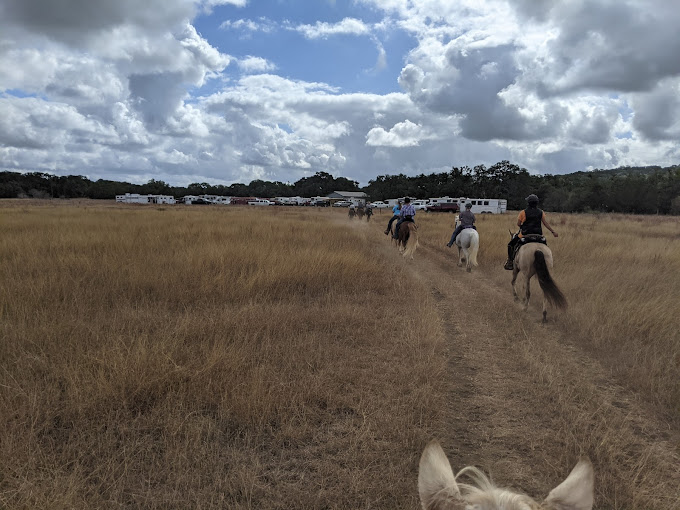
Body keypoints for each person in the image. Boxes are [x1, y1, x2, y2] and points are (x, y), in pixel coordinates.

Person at [504, 194, 558, 270]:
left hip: (525, 235)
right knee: (545, 246)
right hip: (538, 236)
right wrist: (553, 231)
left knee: (510, 244)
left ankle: (510, 262)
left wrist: (524, 226)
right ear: (537, 203)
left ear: (528, 203)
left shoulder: (523, 212)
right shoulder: (541, 212)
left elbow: (518, 224)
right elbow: (545, 223)